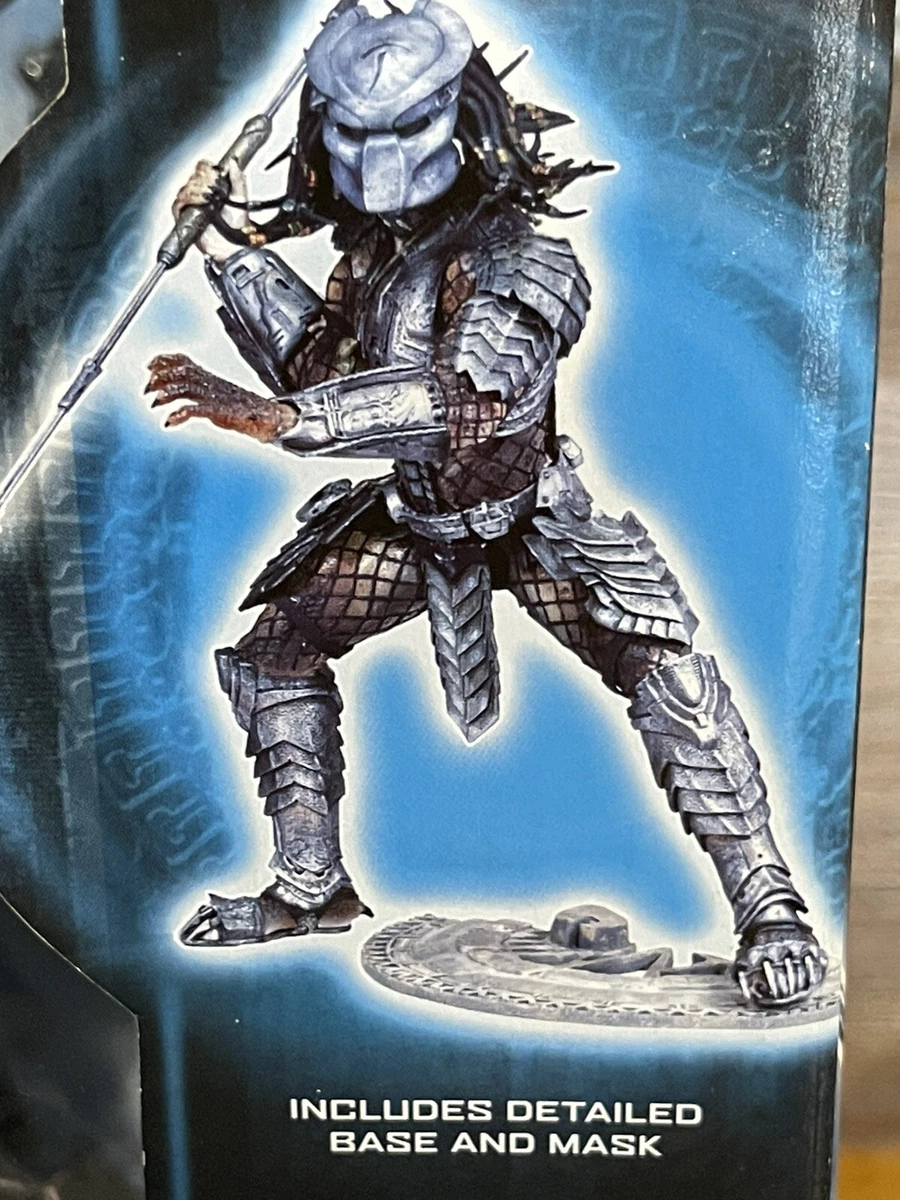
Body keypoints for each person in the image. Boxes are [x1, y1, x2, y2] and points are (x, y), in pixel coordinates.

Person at [146, 0, 827, 1009]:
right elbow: (320, 366)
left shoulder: (524, 260)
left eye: (403, 128)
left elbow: (460, 404)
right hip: (413, 519)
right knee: (274, 652)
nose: (377, 158)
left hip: (531, 521)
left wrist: (276, 421)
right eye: (353, 132)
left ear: (462, 121)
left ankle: (768, 904)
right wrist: (231, 249)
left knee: (665, 666)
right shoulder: (374, 259)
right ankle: (310, 884)